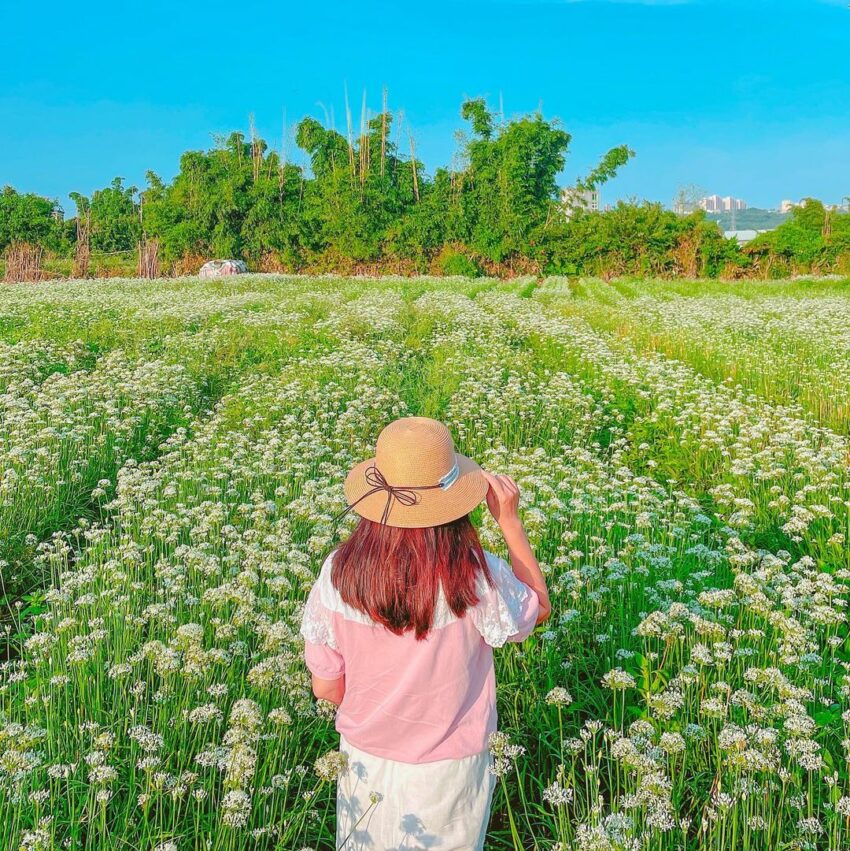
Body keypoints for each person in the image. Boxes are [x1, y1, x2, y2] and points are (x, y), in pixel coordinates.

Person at [300, 416, 551, 851]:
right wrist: (509, 520)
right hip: (450, 768)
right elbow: (538, 608)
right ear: (455, 503)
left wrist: (380, 709)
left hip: (364, 758)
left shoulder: (338, 573)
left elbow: (325, 686)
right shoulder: (475, 577)